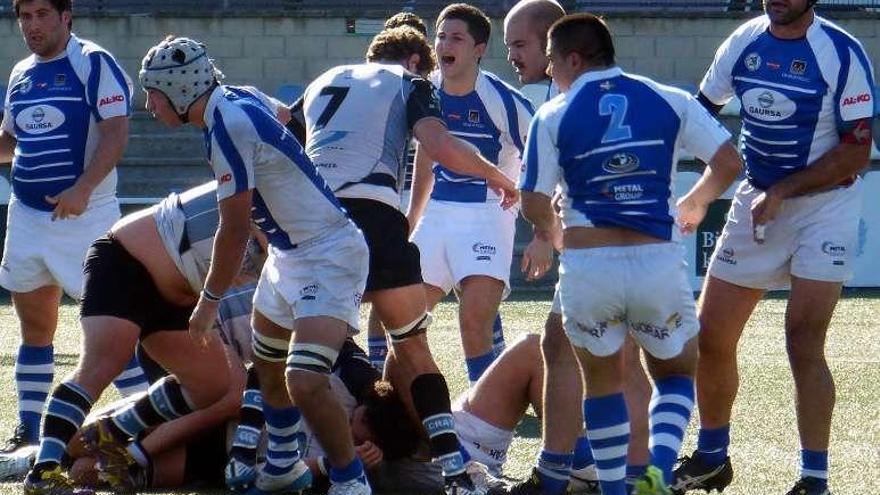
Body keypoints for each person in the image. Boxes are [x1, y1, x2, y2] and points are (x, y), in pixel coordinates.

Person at [285, 25, 519, 495]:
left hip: (310, 221)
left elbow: (280, 144)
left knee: (289, 351)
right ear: (415, 61)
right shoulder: (410, 83)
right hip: (371, 217)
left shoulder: (323, 80)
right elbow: (441, 146)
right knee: (413, 350)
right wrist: (497, 176)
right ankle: (456, 469)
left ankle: (271, 459)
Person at [139, 36, 374, 495]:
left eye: (154, 92)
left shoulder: (227, 126)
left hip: (328, 254)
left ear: (181, 89)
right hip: (291, 254)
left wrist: (208, 302)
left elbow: (233, 228)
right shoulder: (237, 97)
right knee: (267, 364)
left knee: (304, 380)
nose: (147, 104)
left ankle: (352, 482)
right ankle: (284, 464)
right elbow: (284, 118)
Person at [521, 13, 743, 495]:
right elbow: (729, 162)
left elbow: (533, 201)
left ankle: (618, 490)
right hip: (655, 261)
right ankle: (659, 469)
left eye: (553, 63)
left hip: (589, 266)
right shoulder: (670, 99)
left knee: (600, 383)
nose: (550, 73)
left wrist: (554, 232)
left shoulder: (554, 113)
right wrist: (697, 200)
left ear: (573, 59)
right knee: (677, 370)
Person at [672, 1, 875, 494]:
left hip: (826, 206)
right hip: (755, 199)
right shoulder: (743, 42)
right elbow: (699, 116)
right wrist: (696, 188)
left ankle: (814, 478)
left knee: (803, 340)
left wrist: (783, 192)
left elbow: (858, 150)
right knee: (710, 337)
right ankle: (713, 457)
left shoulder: (842, 53)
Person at [499, 3, 655, 494]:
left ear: (556, 46)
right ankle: (626, 471)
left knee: (596, 353)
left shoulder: (560, 102)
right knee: (589, 350)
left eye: (520, 45)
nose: (514, 58)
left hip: (606, 246)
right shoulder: (622, 92)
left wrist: (550, 231)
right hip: (633, 243)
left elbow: (535, 195)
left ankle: (589, 472)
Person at [21, 181, 261, 495]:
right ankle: (43, 471)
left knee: (211, 384)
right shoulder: (274, 190)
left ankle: (112, 432)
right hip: (128, 259)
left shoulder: (297, 205)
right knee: (102, 364)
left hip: (179, 293)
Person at [0, 0, 149, 453]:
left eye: (43, 14)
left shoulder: (93, 61)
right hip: (27, 217)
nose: (33, 25)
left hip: (88, 217)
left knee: (113, 327)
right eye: (24, 16)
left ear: (66, 17)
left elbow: (116, 132)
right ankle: (29, 426)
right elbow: (10, 141)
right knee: (35, 327)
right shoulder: (21, 72)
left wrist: (83, 189)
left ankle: (140, 424)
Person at [407, 3, 534, 386]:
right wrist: (410, 221)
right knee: (403, 319)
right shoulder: (424, 92)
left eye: (456, 38)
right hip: (436, 213)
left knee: (473, 320)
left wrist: (542, 228)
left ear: (479, 49)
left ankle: (486, 419)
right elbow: (425, 161)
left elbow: (541, 155)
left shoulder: (505, 100)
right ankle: (406, 417)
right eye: (441, 36)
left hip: (487, 213)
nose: (445, 43)